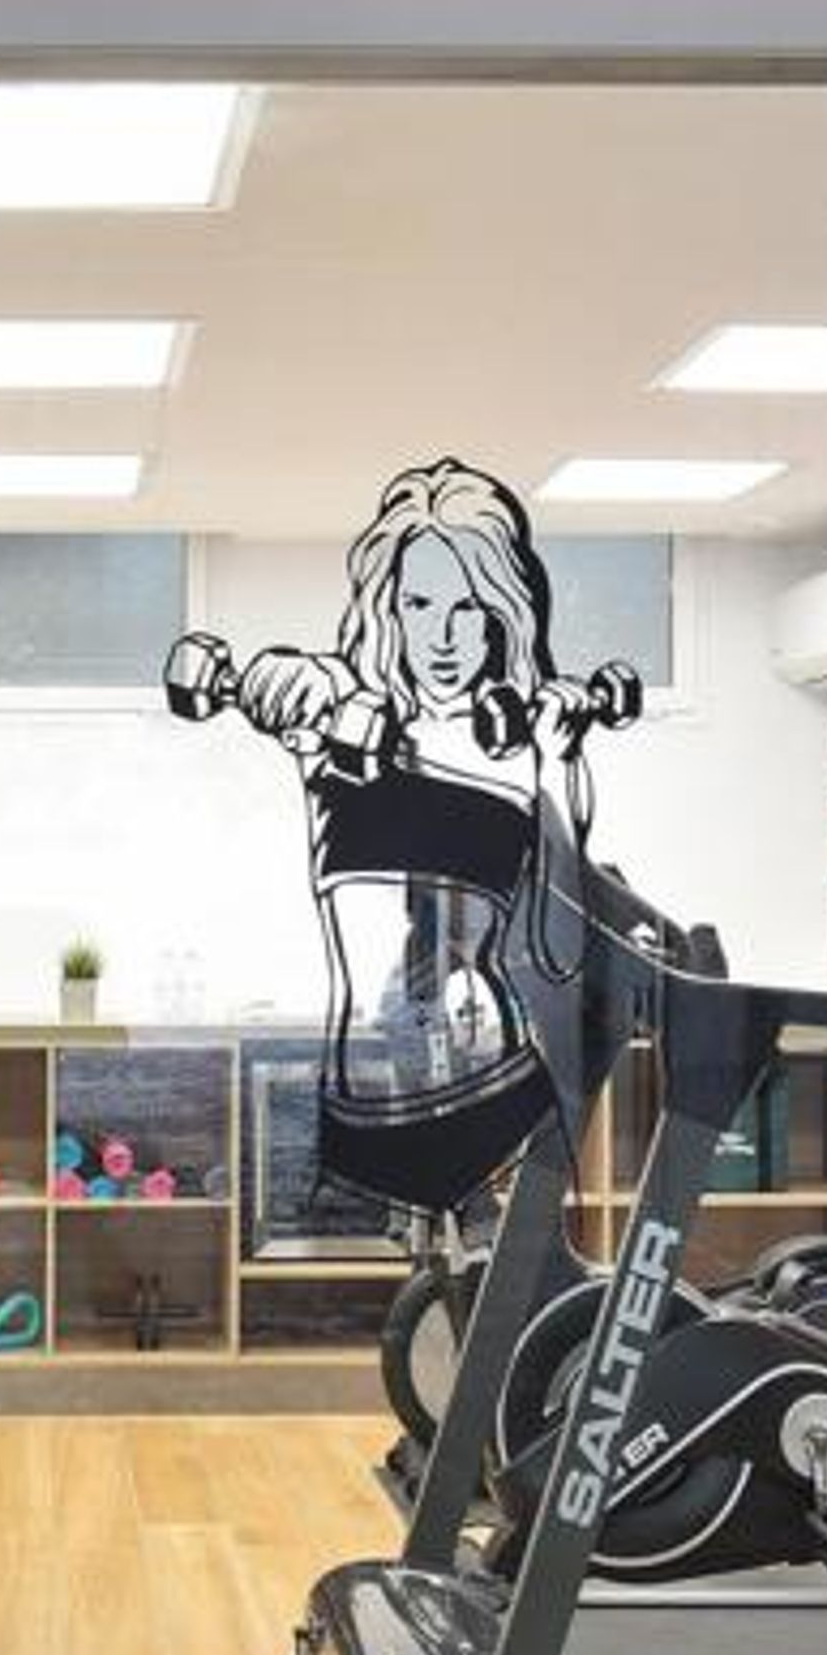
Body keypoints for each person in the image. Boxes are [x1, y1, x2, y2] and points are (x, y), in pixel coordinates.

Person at [225, 459, 573, 1211]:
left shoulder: (519, 741)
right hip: (373, 1115)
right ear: (389, 608)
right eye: (419, 603)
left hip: (501, 1091)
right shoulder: (343, 725)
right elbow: (315, 680)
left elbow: (549, 906)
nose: (442, 636)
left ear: (500, 614)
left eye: (468, 607)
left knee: (498, 1255)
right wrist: (291, 681)